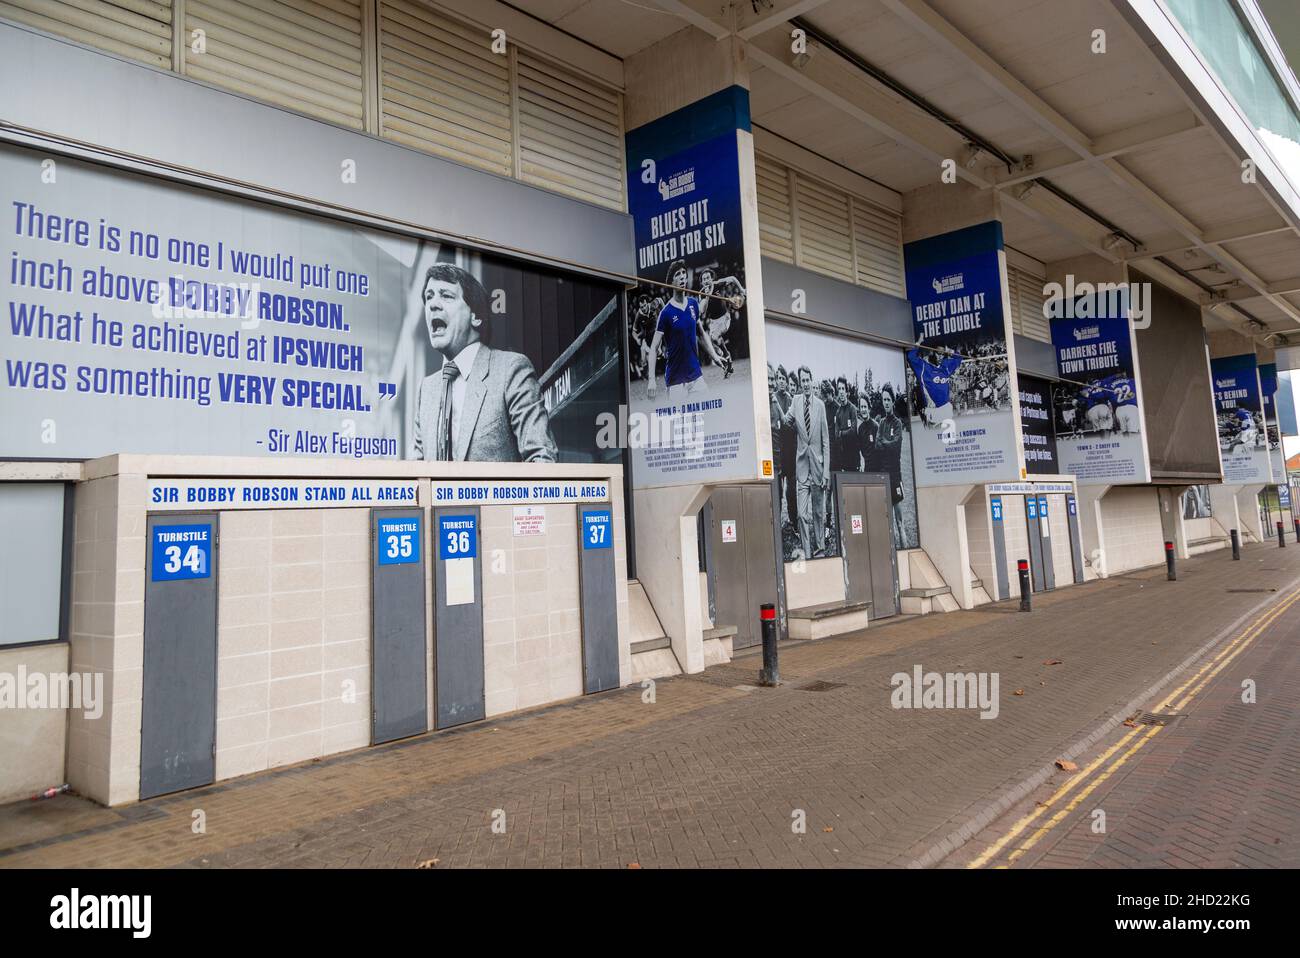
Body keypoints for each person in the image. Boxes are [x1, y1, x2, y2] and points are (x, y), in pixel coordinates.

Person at [410, 263, 556, 463]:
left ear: (476, 317)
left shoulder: (511, 370)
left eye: (446, 295)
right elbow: (415, 476)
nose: (433, 304)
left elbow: (542, 459)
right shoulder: (426, 390)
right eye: (429, 296)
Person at [646, 260, 727, 401]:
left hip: (696, 377)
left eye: (684, 273)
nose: (683, 276)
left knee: (707, 418)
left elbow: (701, 334)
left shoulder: (693, 304)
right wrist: (652, 379)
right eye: (678, 274)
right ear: (671, 282)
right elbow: (653, 347)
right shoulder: (665, 313)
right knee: (680, 423)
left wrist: (715, 356)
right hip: (676, 381)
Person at [785, 365, 829, 559]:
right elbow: (786, 420)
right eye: (802, 381)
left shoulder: (820, 405)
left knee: (819, 514)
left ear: (812, 380)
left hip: (818, 468)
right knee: (802, 514)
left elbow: (826, 442)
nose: (805, 384)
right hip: (802, 466)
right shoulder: (795, 402)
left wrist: (826, 471)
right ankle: (808, 552)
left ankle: (819, 549)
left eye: (807, 380)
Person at [875, 385, 908, 549]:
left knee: (899, 523)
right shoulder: (881, 422)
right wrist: (886, 443)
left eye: (888, 399)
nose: (886, 402)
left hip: (895, 476)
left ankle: (905, 551)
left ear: (893, 401)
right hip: (883, 476)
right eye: (884, 399)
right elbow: (877, 446)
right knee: (886, 522)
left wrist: (884, 443)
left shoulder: (898, 423)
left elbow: (895, 447)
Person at [906, 337, 963, 428]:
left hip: (947, 409)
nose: (941, 356)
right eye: (938, 353)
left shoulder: (946, 366)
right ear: (932, 352)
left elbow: (959, 358)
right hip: (933, 410)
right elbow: (910, 356)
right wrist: (919, 342)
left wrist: (949, 350)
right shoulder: (924, 368)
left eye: (943, 354)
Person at [830, 377, 859, 473]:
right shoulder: (838, 412)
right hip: (843, 459)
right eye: (839, 389)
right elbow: (836, 435)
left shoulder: (852, 409)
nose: (841, 392)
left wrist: (842, 433)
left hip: (853, 458)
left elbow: (853, 431)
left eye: (843, 389)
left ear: (847, 392)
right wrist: (844, 433)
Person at [857, 393, 879, 473]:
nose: (863, 409)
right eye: (861, 407)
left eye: (865, 407)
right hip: (866, 469)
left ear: (869, 408)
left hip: (877, 469)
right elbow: (859, 449)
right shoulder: (860, 428)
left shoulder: (875, 426)